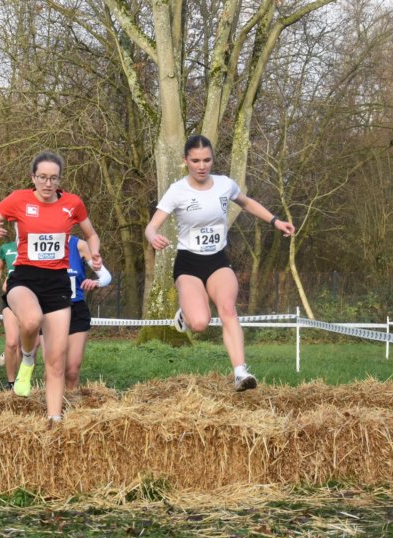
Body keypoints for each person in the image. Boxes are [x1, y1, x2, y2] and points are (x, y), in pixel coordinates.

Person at [144, 135, 295, 391]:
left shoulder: (225, 185)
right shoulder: (177, 191)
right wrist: (153, 237)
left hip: (218, 260)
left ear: (212, 159)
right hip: (189, 264)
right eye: (195, 161)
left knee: (228, 309)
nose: (202, 166)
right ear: (185, 161)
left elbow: (247, 203)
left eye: (207, 160)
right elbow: (151, 226)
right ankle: (186, 312)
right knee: (200, 323)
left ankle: (240, 373)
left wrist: (275, 221)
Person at [0, 150, 102, 422]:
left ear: (60, 179)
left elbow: (91, 234)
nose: (47, 183)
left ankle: (54, 420)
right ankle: (28, 358)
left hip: (57, 283)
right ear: (33, 177)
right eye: (42, 177)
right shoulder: (18, 199)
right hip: (24, 278)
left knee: (56, 361)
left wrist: (95, 252)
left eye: (53, 178)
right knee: (31, 320)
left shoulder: (72, 204)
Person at [64, 235, 111, 389]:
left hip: (76, 309)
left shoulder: (79, 245)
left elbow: (105, 276)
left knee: (72, 371)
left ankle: (72, 402)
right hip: (50, 311)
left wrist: (96, 282)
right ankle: (53, 402)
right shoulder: (39, 242)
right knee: (54, 369)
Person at [0, 240, 24, 388]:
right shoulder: (6, 248)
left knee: (22, 346)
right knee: (12, 342)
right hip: (10, 298)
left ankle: (21, 382)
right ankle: (10, 383)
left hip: (30, 301)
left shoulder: (35, 246)